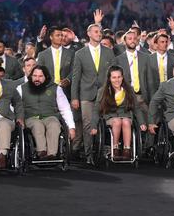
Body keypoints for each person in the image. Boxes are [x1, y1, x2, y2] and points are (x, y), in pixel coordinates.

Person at [71, 23, 115, 163]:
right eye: (96, 32)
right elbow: (75, 77)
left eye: (100, 31)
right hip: (86, 94)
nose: (99, 33)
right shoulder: (80, 54)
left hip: (105, 94)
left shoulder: (108, 52)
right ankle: (89, 154)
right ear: (89, 34)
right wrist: (74, 97)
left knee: (106, 123)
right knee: (87, 124)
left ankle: (104, 152)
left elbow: (114, 74)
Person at [19, 65, 76, 159]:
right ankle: (41, 151)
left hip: (50, 116)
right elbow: (15, 107)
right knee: (37, 124)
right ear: (31, 76)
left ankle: (51, 154)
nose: (37, 79)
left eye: (40, 76)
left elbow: (65, 109)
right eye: (35, 76)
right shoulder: (21, 88)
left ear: (46, 77)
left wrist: (71, 127)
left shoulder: (56, 88)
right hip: (31, 118)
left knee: (54, 124)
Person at [91, 66, 147, 160]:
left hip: (126, 115)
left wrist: (142, 122)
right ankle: (115, 148)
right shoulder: (103, 91)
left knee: (125, 121)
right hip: (110, 117)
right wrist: (93, 126)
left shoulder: (129, 90)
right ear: (109, 78)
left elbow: (136, 108)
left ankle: (127, 149)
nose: (117, 80)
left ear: (122, 77)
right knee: (117, 121)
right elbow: (96, 109)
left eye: (119, 77)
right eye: (114, 77)